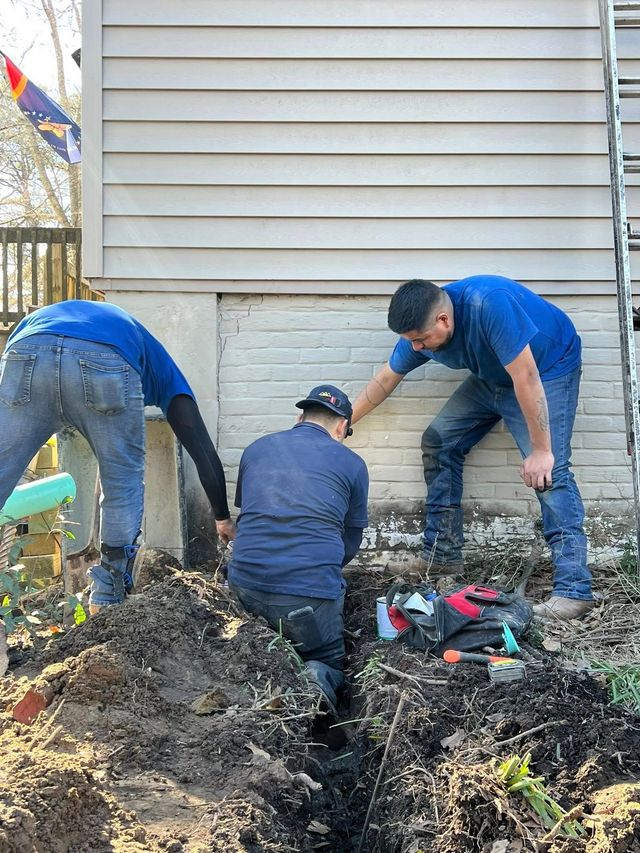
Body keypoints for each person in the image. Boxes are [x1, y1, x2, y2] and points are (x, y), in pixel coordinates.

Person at [351, 275, 594, 621]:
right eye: (411, 342)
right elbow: (384, 380)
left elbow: (526, 378)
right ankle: (443, 556)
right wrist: (344, 424)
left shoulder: (488, 305)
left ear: (444, 320)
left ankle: (574, 590)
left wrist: (541, 451)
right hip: (494, 376)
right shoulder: (420, 332)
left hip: (547, 369)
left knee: (551, 474)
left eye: (421, 340)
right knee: (439, 441)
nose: (416, 348)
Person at [0, 300, 235, 613]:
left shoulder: (60, 318)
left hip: (28, 349)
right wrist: (222, 517)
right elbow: (199, 444)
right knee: (121, 484)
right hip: (104, 358)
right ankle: (107, 600)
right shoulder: (165, 371)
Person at [227, 385, 369, 712]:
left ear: (299, 417)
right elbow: (350, 542)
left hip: (245, 588)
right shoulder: (353, 464)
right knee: (328, 660)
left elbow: (249, 518)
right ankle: (318, 678)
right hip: (309, 599)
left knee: (257, 653)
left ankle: (256, 689)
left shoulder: (255, 450)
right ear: (341, 427)